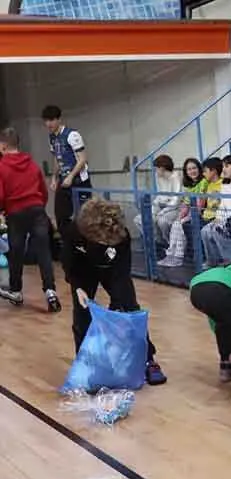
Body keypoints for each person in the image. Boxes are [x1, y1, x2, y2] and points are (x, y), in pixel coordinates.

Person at [66, 199, 167, 386]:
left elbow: (122, 272)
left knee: (130, 308)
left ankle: (148, 360)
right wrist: (77, 287)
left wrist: (117, 305)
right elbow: (69, 262)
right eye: (101, 241)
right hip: (83, 271)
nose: (105, 244)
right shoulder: (74, 231)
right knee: (82, 314)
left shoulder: (122, 236)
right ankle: (86, 364)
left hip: (112, 270)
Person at [0, 127, 60, 312]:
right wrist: (38, 207)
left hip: (15, 214)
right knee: (43, 252)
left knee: (16, 253)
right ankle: (50, 291)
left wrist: (3, 210)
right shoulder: (32, 165)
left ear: (3, 146)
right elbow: (43, 191)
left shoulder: (1, 167)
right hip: (37, 211)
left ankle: (16, 291)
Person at [42, 105, 91, 261]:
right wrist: (54, 177)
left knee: (83, 216)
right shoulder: (52, 138)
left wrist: (71, 176)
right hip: (64, 182)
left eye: (52, 120)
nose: (49, 124)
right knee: (61, 216)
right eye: (46, 121)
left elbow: (82, 159)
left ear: (58, 119)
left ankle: (86, 249)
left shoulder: (72, 135)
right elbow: (57, 158)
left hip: (79, 182)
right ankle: (70, 248)